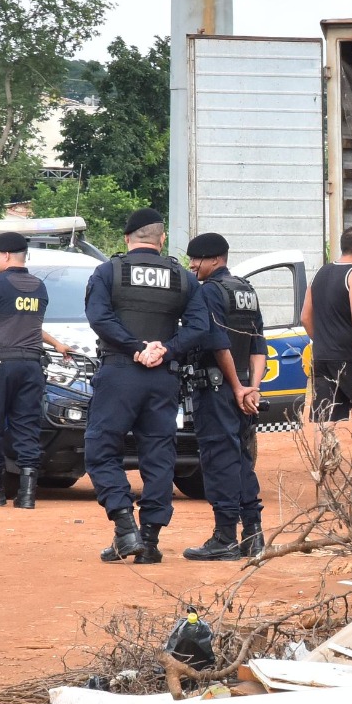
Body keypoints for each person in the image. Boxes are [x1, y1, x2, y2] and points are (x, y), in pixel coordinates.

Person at [82, 208, 195, 563]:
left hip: (119, 372)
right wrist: (165, 349)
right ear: (162, 240)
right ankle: (149, 540)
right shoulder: (182, 277)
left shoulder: (108, 271)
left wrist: (135, 348)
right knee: (159, 455)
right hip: (163, 377)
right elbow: (199, 327)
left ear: (127, 239)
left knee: (101, 449)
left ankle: (124, 525)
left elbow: (99, 317)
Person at [176, 232, 267, 561]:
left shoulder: (210, 292)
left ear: (215, 259)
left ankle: (225, 537)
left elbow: (219, 344)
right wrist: (251, 387)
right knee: (242, 458)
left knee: (219, 460)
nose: (192, 266)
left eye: (196, 260)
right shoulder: (245, 290)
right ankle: (254, 534)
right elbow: (258, 345)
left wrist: (235, 385)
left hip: (218, 388)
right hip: (243, 390)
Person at [0, 230, 68, 510]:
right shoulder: (39, 286)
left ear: (6, 255)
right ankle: (27, 493)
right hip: (32, 365)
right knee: (27, 426)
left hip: (0, 365)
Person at [300, 224, 352, 467]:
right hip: (350, 358)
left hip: (322, 357)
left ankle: (322, 482)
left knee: (325, 420)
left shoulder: (320, 273)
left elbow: (304, 317)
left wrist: (321, 339)